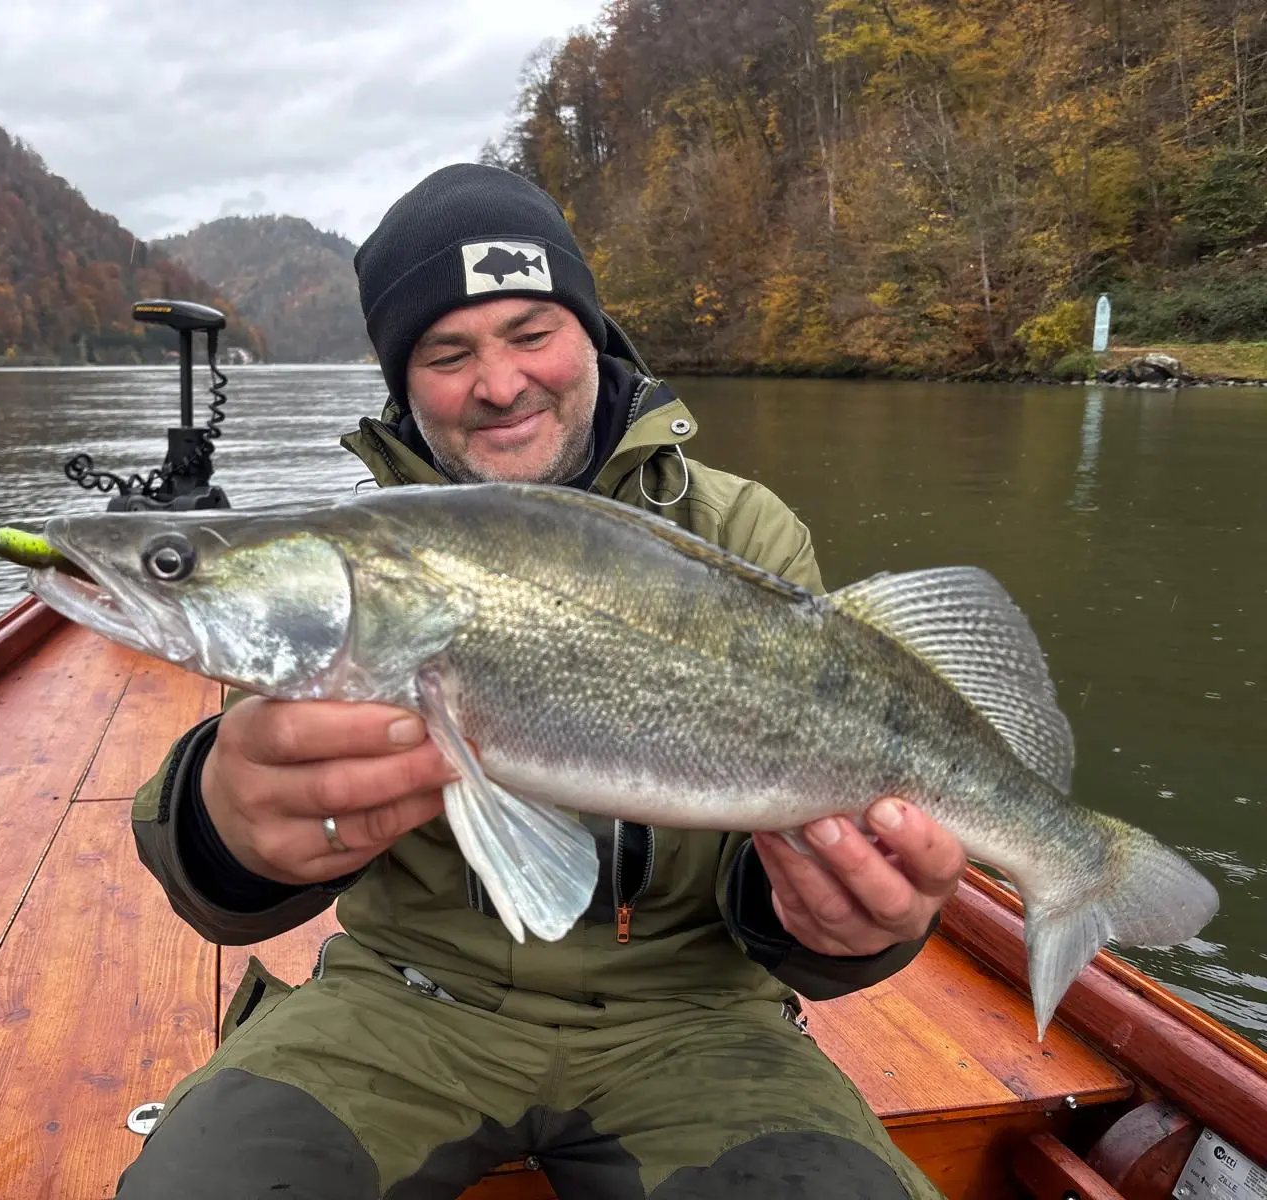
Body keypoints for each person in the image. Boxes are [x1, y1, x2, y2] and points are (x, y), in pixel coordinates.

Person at [116, 163, 961, 1199]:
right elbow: (228, 858)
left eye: (531, 332)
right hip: (402, 1002)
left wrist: (845, 924)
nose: (501, 382)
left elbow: (806, 869)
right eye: (447, 352)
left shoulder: (746, 535)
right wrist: (223, 824)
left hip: (698, 1024)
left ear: (590, 333)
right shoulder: (344, 562)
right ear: (402, 383)